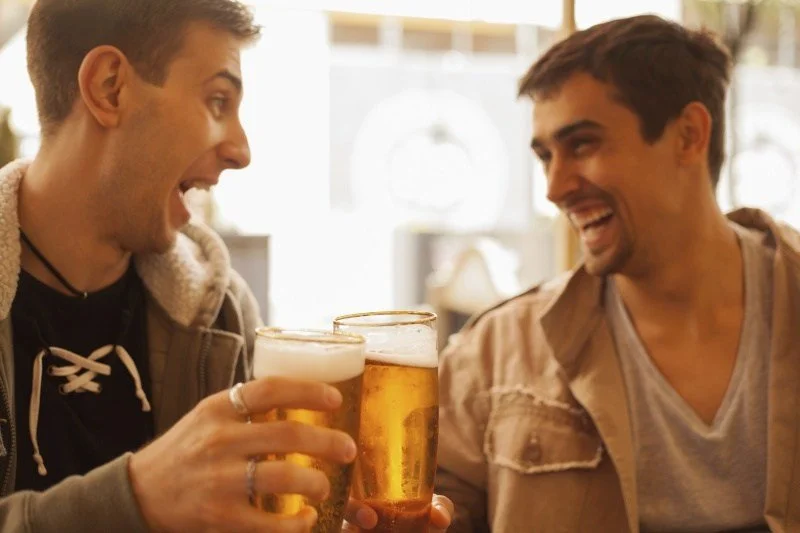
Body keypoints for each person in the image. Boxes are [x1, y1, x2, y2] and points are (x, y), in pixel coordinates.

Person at [0, 0, 454, 531]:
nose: (241, 151)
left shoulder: (220, 311)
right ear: (109, 87)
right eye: (218, 100)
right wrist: (134, 497)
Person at [436, 14, 800, 533]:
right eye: (545, 157)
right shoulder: (495, 353)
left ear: (689, 136)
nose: (555, 187)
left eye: (582, 144)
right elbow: (426, 508)